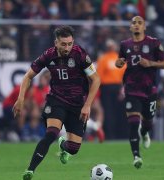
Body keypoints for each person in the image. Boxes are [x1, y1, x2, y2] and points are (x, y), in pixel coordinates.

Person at [13, 26, 100, 180]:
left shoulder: (79, 54)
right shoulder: (48, 55)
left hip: (78, 105)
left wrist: (87, 105)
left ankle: (63, 145)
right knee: (51, 133)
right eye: (63, 44)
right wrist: (20, 99)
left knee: (73, 149)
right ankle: (30, 170)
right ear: (56, 43)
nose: (67, 48)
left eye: (70, 44)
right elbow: (28, 76)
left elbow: (96, 80)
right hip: (56, 100)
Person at [115, 16, 164, 169]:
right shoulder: (125, 45)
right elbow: (120, 61)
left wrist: (150, 63)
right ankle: (136, 156)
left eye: (140, 23)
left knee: (147, 123)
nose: (136, 25)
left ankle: (145, 133)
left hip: (150, 89)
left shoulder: (154, 43)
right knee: (133, 123)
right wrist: (118, 63)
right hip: (131, 89)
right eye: (134, 23)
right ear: (130, 27)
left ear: (144, 27)